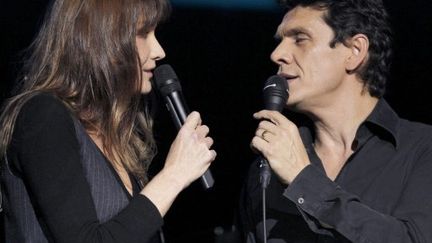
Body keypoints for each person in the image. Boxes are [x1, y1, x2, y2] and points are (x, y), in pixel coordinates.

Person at [0, 0, 216, 242]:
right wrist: (174, 175)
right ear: (101, 38)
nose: (159, 50)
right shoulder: (43, 115)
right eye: (143, 33)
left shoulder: (114, 134)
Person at [239, 0, 432, 242]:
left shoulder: (422, 149)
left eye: (300, 38)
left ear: (354, 51)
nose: (277, 54)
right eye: (280, 41)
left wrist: (303, 181)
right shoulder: (265, 169)